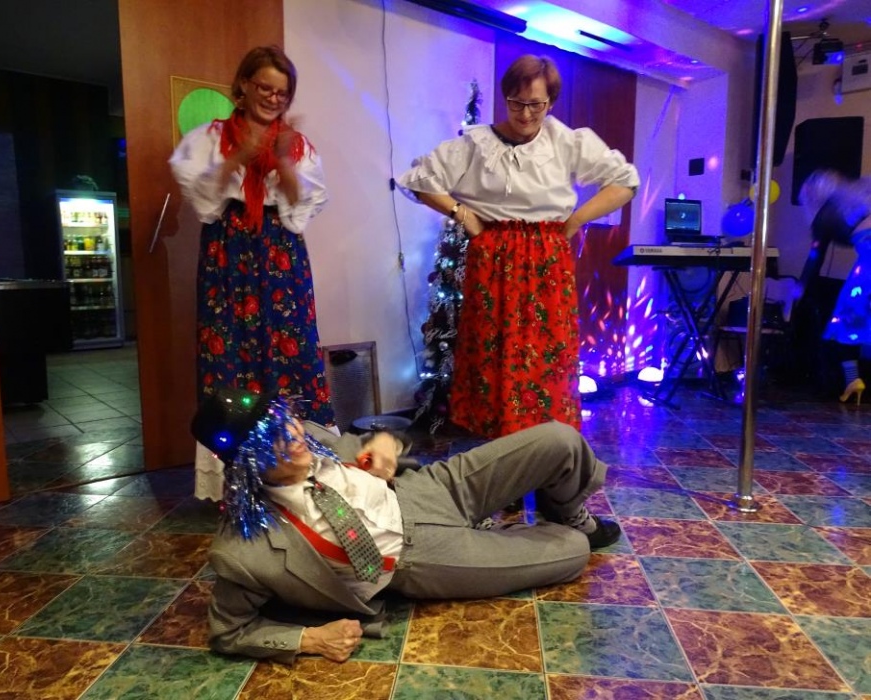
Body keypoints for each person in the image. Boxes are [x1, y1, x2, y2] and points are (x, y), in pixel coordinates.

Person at [192, 388, 621, 664]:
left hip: (429, 488)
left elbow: (371, 444)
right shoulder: (242, 550)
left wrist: (384, 441)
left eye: (283, 418)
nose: (292, 433)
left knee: (560, 439)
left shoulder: (310, 435)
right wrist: (311, 639)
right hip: (419, 557)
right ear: (248, 464)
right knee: (572, 550)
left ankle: (563, 507)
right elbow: (228, 631)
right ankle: (491, 537)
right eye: (272, 438)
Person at [397, 54, 639, 439]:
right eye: (517, 103)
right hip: (494, 257)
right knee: (493, 353)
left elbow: (625, 182)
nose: (526, 114)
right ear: (506, 98)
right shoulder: (475, 144)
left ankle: (545, 449)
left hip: (547, 258)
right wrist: (463, 213)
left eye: (536, 104)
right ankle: (500, 452)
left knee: (546, 353)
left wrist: (576, 219)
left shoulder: (567, 141)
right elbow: (418, 179)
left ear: (551, 102)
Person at [169, 46, 335, 497]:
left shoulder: (297, 145)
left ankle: (296, 464)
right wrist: (239, 155)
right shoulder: (209, 137)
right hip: (229, 250)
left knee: (292, 351)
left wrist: (280, 162)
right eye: (265, 87)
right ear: (243, 84)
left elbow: (302, 207)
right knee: (229, 352)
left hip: (280, 252)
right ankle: (235, 476)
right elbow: (205, 202)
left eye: (282, 93)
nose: (273, 99)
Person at [798, 169, 871, 404]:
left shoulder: (825, 215)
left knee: (846, 322)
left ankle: (853, 380)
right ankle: (853, 381)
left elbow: (815, 257)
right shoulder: (858, 203)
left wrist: (800, 289)